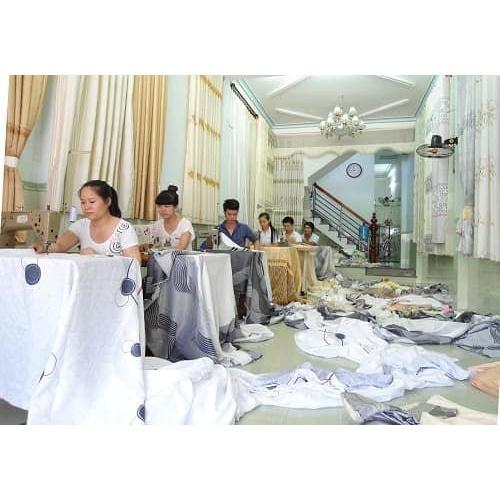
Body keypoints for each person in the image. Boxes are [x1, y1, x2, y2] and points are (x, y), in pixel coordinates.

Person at [33, 180, 141, 262]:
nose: (86, 207)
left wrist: (96, 258)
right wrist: (43, 248)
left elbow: (134, 265)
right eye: (83, 202)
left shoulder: (124, 229)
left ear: (108, 201)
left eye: (92, 202)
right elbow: (59, 246)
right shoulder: (81, 225)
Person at [147, 185, 195, 250]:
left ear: (175, 207)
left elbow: (181, 249)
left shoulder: (185, 224)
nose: (162, 210)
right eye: (159, 206)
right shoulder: (158, 225)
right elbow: (157, 245)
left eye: (167, 206)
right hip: (163, 256)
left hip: (181, 256)